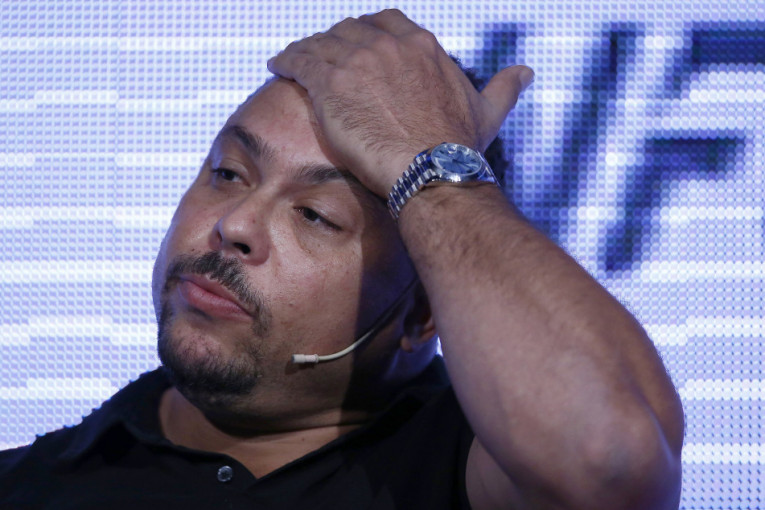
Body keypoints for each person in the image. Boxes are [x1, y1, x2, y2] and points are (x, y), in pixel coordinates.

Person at [0, 9, 684, 510]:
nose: (236, 225)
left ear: (421, 314)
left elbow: (608, 460)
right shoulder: (26, 483)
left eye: (315, 215)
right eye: (228, 174)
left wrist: (432, 164)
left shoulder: (469, 474)